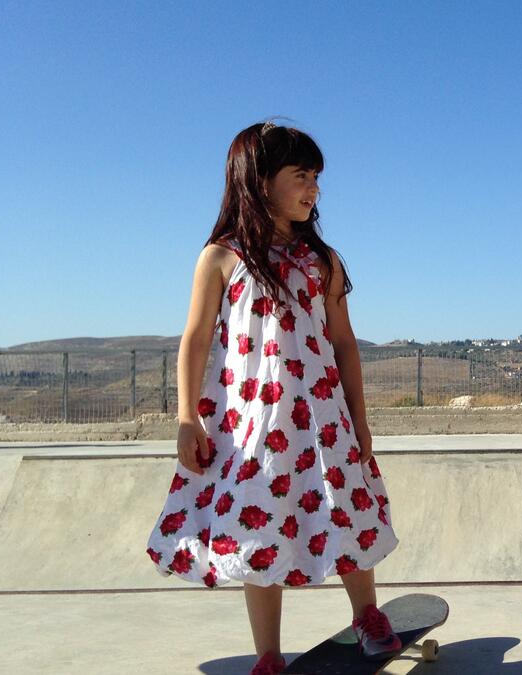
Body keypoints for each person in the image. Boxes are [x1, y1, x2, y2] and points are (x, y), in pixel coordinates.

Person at [144, 122, 399, 675]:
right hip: (251, 423)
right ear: (260, 181)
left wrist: (359, 419)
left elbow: (344, 343)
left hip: (323, 419)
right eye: (301, 175)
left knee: (345, 508)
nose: (314, 189)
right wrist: (187, 418)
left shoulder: (322, 260)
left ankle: (367, 615)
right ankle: (268, 654)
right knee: (255, 522)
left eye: (316, 178)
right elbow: (194, 338)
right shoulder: (221, 257)